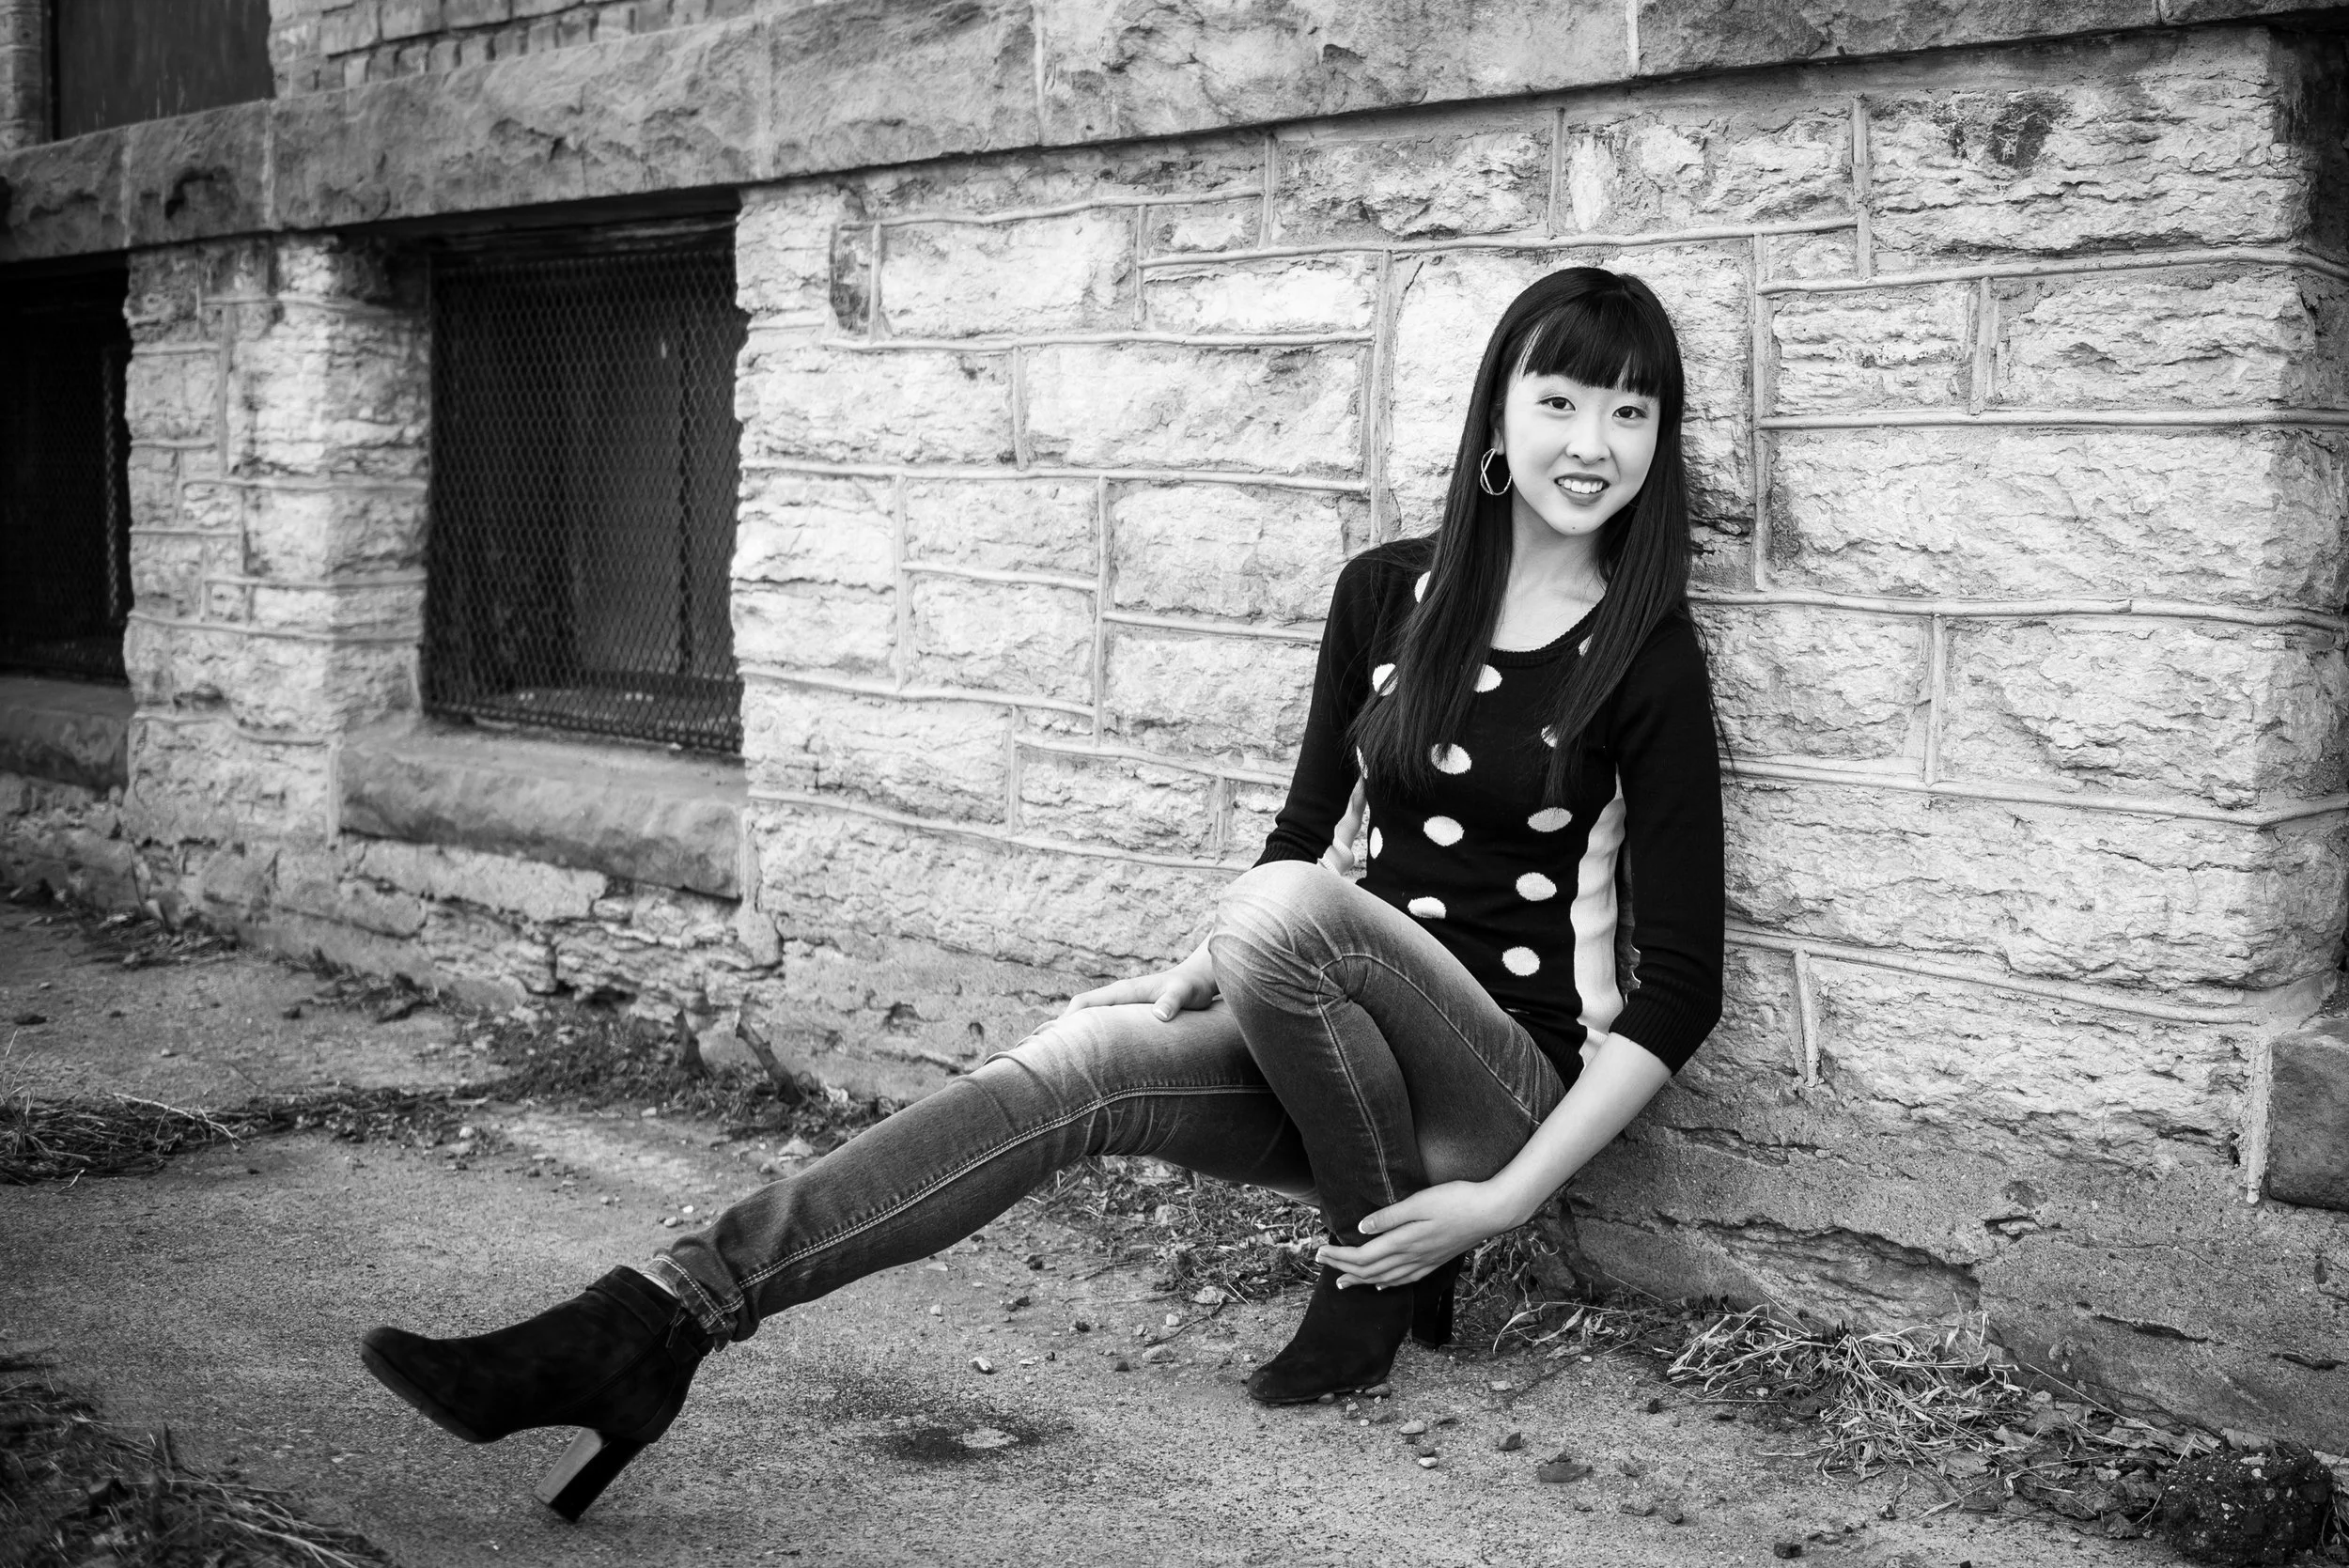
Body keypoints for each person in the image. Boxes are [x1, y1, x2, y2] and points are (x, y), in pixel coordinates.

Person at [357, 265, 1726, 1522]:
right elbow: (1305, 832)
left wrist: (1503, 1202)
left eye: (1631, 412)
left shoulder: (1645, 658)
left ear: (1658, 442)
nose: (1592, 443)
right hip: (1336, 1059)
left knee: (1277, 913)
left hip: (1498, 1092)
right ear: (1497, 416)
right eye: (1560, 401)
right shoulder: (1387, 596)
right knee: (1077, 1063)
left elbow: (1678, 990)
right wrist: (1221, 966)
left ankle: (1377, 1264)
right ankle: (656, 1320)